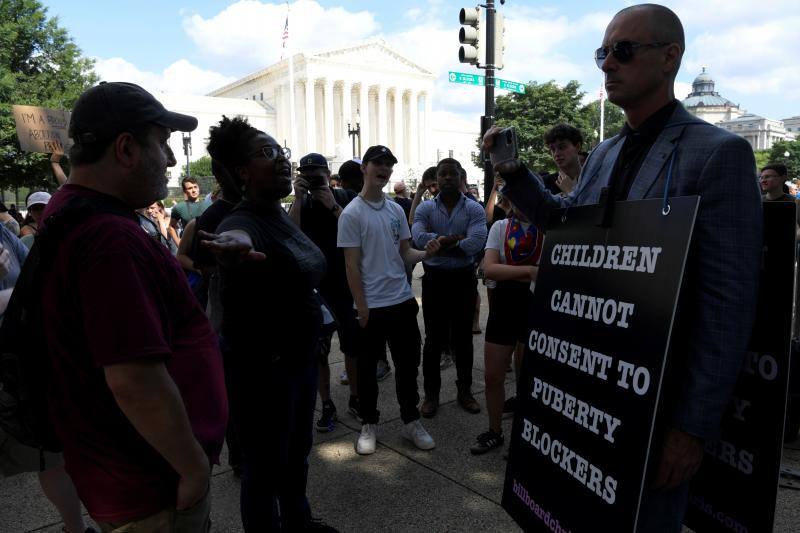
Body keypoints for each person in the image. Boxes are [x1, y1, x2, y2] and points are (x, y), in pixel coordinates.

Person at [483, 4, 762, 531]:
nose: (608, 64)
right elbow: (565, 226)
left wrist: (690, 429)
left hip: (657, 397)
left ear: (669, 57)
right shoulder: (605, 153)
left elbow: (728, 306)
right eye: (602, 53)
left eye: (623, 51)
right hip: (592, 384)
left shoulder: (718, 153)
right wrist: (512, 172)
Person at [40, 81, 228, 531]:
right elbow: (134, 378)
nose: (170, 159)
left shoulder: (77, 210)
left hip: (128, 472)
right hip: (152, 485)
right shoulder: (109, 237)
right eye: (161, 143)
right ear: (125, 149)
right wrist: (193, 468)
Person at [201, 116, 337, 532]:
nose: (281, 161)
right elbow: (237, 235)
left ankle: (299, 521)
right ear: (242, 172)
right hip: (264, 370)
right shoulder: (241, 221)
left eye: (282, 152)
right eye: (266, 153)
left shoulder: (277, 214)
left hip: (296, 361)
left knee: (295, 454)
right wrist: (234, 247)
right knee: (263, 469)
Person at [338, 145, 441, 455]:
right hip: (370, 307)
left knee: (408, 365)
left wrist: (427, 253)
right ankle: (369, 423)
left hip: (401, 300)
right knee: (368, 369)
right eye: (377, 163)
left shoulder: (396, 210)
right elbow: (351, 264)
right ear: (364, 168)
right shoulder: (351, 213)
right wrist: (362, 305)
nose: (383, 169)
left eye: (388, 165)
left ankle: (410, 421)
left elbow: (405, 253)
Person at [288, 152, 361, 432]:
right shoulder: (301, 203)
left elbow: (357, 231)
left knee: (352, 346)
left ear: (327, 173)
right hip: (317, 287)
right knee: (319, 350)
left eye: (317, 174)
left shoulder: (345, 197)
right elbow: (291, 234)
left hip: (345, 283)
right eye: (307, 175)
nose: (313, 179)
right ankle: (327, 403)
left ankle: (355, 396)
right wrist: (297, 198)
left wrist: (332, 206)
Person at [411, 158, 487, 418]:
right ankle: (431, 396)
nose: (446, 179)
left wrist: (440, 244)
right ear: (436, 179)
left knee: (463, 339)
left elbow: (477, 241)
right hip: (435, 281)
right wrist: (454, 241)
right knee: (433, 340)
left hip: (464, 281)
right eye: (441, 175)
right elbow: (419, 237)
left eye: (451, 174)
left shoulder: (474, 209)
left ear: (460, 177)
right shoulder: (425, 209)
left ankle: (465, 391)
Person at [470, 201, 541, 454]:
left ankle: (524, 436)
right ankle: (495, 431)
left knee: (528, 378)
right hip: (505, 308)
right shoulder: (501, 227)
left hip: (535, 308)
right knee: (493, 376)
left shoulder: (547, 227)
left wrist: (508, 271)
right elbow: (489, 269)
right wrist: (531, 272)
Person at [541, 124, 584, 196]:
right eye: (552, 149)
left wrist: (570, 192)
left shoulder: (593, 180)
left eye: (561, 147)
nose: (556, 154)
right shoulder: (544, 184)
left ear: (577, 147)